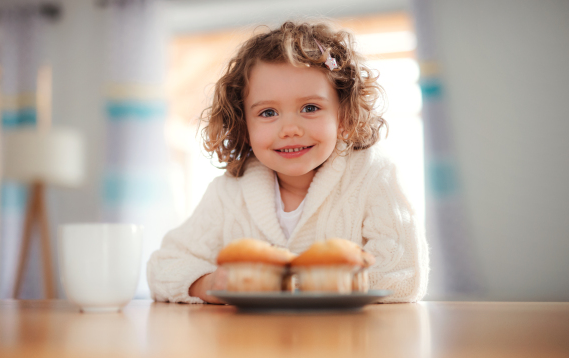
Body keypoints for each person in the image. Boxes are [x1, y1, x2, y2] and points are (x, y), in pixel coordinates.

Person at [147, 20, 429, 304]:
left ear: (344, 117)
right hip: (252, 343)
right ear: (244, 127)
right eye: (268, 112)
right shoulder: (228, 194)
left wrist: (296, 285)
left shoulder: (373, 176)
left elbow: (404, 276)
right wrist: (210, 283)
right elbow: (164, 266)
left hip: (347, 342)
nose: (289, 129)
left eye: (310, 108)